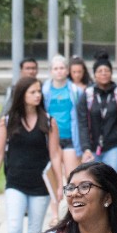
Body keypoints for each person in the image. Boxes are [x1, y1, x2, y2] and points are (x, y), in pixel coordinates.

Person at [0, 75, 66, 233]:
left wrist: (60, 184)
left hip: (40, 186)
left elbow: (55, 154)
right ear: (22, 95)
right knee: (13, 228)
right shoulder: (7, 121)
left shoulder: (49, 121)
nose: (37, 95)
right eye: (33, 91)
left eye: (39, 91)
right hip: (15, 183)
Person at [77, 54, 117, 175]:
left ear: (111, 73)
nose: (103, 73)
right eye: (100, 71)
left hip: (114, 146)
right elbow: (82, 125)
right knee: (96, 185)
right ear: (94, 74)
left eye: (107, 70)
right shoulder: (87, 96)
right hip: (92, 148)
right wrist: (86, 148)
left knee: (110, 182)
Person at [42, 55, 84, 199]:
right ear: (51, 71)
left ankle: (72, 210)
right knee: (54, 176)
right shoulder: (44, 91)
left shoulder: (75, 90)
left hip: (71, 137)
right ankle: (55, 214)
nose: (59, 71)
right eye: (55, 68)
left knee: (71, 177)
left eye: (62, 68)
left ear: (67, 70)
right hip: (51, 138)